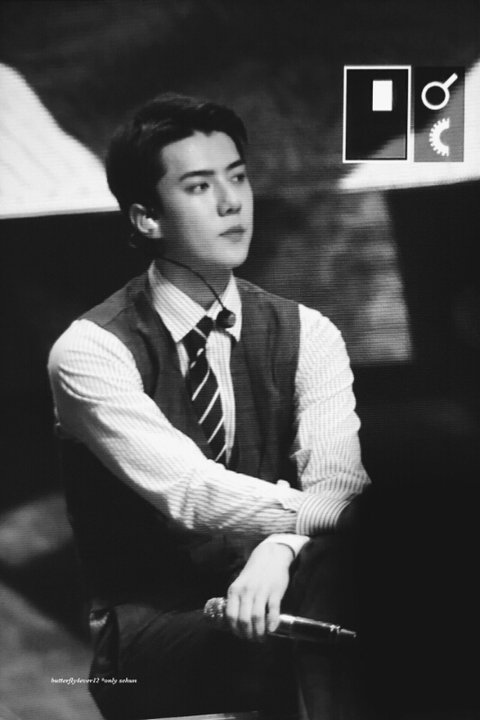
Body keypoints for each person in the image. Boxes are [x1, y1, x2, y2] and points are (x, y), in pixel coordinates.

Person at [48, 93, 371, 720]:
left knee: (350, 588)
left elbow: (337, 479)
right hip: (152, 638)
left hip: (283, 595)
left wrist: (281, 548)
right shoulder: (91, 350)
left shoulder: (309, 332)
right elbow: (192, 493)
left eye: (238, 177)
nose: (231, 202)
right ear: (146, 218)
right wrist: (326, 520)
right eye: (199, 186)